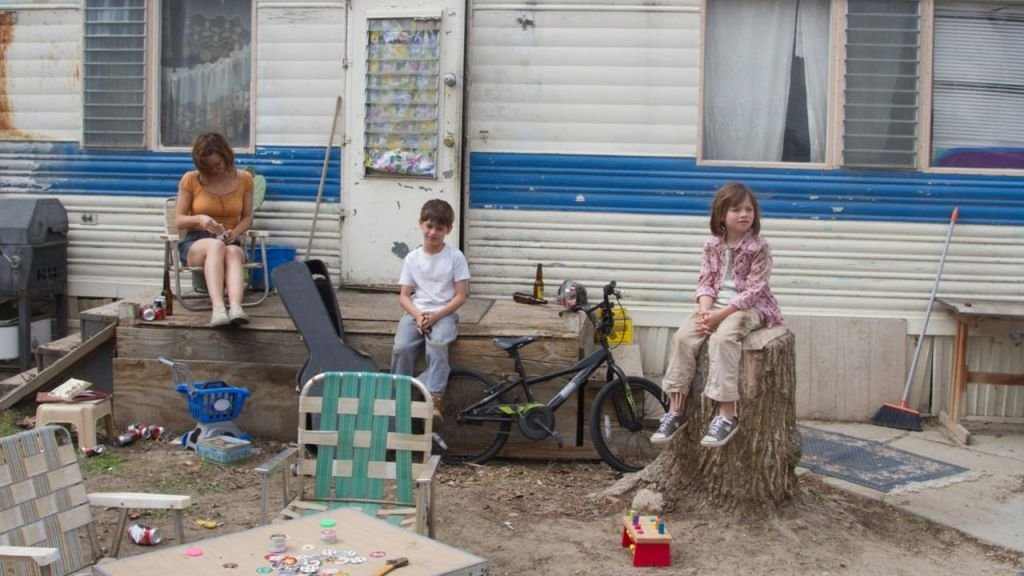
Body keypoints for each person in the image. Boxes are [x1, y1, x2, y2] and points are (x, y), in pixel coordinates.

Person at [650, 182, 783, 447]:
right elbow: (706, 281)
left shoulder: (759, 247)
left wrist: (718, 316)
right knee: (684, 338)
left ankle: (726, 414)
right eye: (736, 209)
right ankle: (676, 410)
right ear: (721, 215)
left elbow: (754, 290)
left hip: (747, 308)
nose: (744, 214)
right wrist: (704, 312)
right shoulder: (712, 245)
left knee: (723, 340)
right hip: (713, 307)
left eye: (749, 209)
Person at [391, 199, 471, 420]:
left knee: (438, 344)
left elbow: (461, 296)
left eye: (439, 228)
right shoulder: (412, 258)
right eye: (429, 226)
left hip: (444, 313)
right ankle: (398, 397)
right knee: (401, 347)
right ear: (421, 224)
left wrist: (436, 316)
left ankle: (434, 397)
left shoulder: (455, 257)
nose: (433, 232)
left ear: (449, 230)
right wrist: (418, 315)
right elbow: (404, 296)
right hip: (416, 312)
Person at [175, 132, 254, 327]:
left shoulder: (244, 179)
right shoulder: (191, 179)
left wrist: (235, 233)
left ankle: (235, 308)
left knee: (233, 252)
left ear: (226, 156)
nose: (213, 170)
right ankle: (218, 309)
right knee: (216, 246)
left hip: (228, 238)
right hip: (196, 242)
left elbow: (247, 217)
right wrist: (200, 219)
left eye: (217, 164)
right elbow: (178, 220)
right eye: (207, 167)